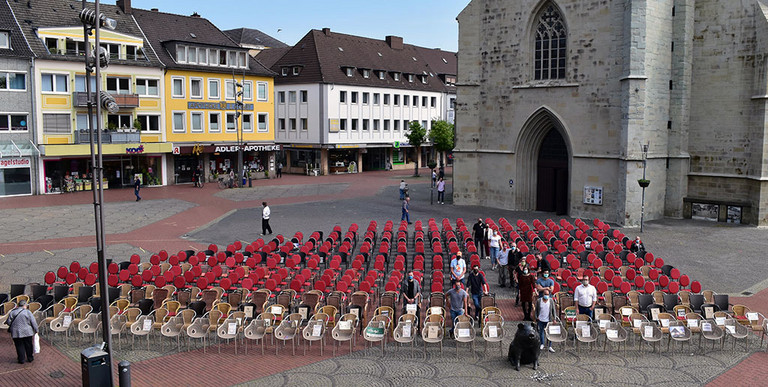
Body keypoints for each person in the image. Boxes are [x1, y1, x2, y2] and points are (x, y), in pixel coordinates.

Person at [7, 300, 38, 364]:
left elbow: (8, 322)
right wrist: (36, 330)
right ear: (25, 305)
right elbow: (33, 322)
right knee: (28, 345)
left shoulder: (12, 312)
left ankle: (21, 359)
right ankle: (30, 358)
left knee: (19, 345)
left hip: (16, 332)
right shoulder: (28, 312)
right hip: (27, 331)